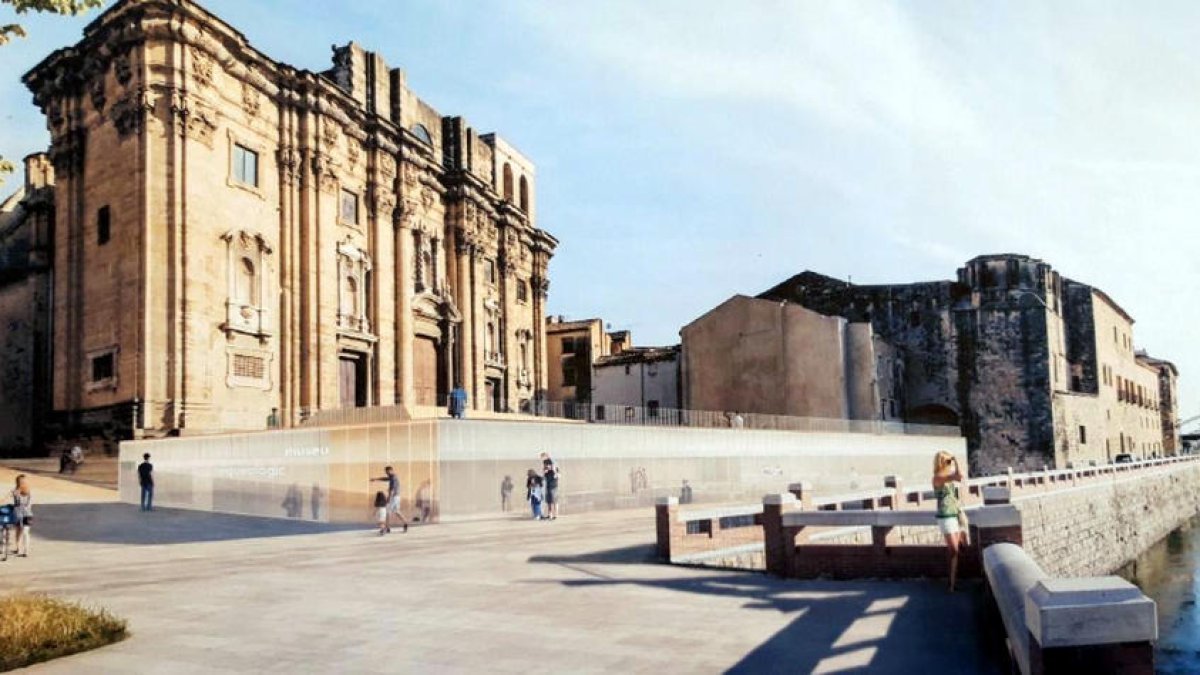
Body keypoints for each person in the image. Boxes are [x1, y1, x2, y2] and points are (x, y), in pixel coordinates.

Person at [932, 451, 965, 592]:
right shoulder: (938, 478)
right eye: (947, 461)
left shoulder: (948, 478)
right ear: (941, 463)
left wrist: (955, 460)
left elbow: (959, 477)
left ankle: (953, 582)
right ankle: (951, 585)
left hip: (954, 514)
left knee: (955, 551)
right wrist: (954, 461)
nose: (949, 464)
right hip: (945, 517)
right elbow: (959, 476)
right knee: (954, 551)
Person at [371, 466, 408, 533]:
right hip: (397, 497)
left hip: (393, 497)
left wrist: (388, 498)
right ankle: (405, 522)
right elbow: (385, 479)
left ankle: (387, 528)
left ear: (390, 470)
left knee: (387, 512)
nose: (386, 473)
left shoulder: (393, 478)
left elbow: (391, 489)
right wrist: (376, 479)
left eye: (387, 471)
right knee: (397, 511)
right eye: (386, 472)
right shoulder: (393, 477)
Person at [11, 474, 31, 557]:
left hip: (23, 514)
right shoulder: (16, 491)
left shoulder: (26, 492)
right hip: (23, 514)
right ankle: (19, 548)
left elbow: (27, 504)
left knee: (23, 532)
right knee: (20, 532)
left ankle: (24, 550)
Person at [541, 452, 560, 520]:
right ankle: (550, 515)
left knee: (554, 501)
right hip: (548, 485)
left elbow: (558, 475)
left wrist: (554, 470)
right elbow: (544, 474)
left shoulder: (554, 467)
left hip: (554, 486)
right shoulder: (546, 467)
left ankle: (555, 515)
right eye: (545, 464)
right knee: (549, 501)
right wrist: (544, 472)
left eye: (547, 464)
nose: (546, 465)